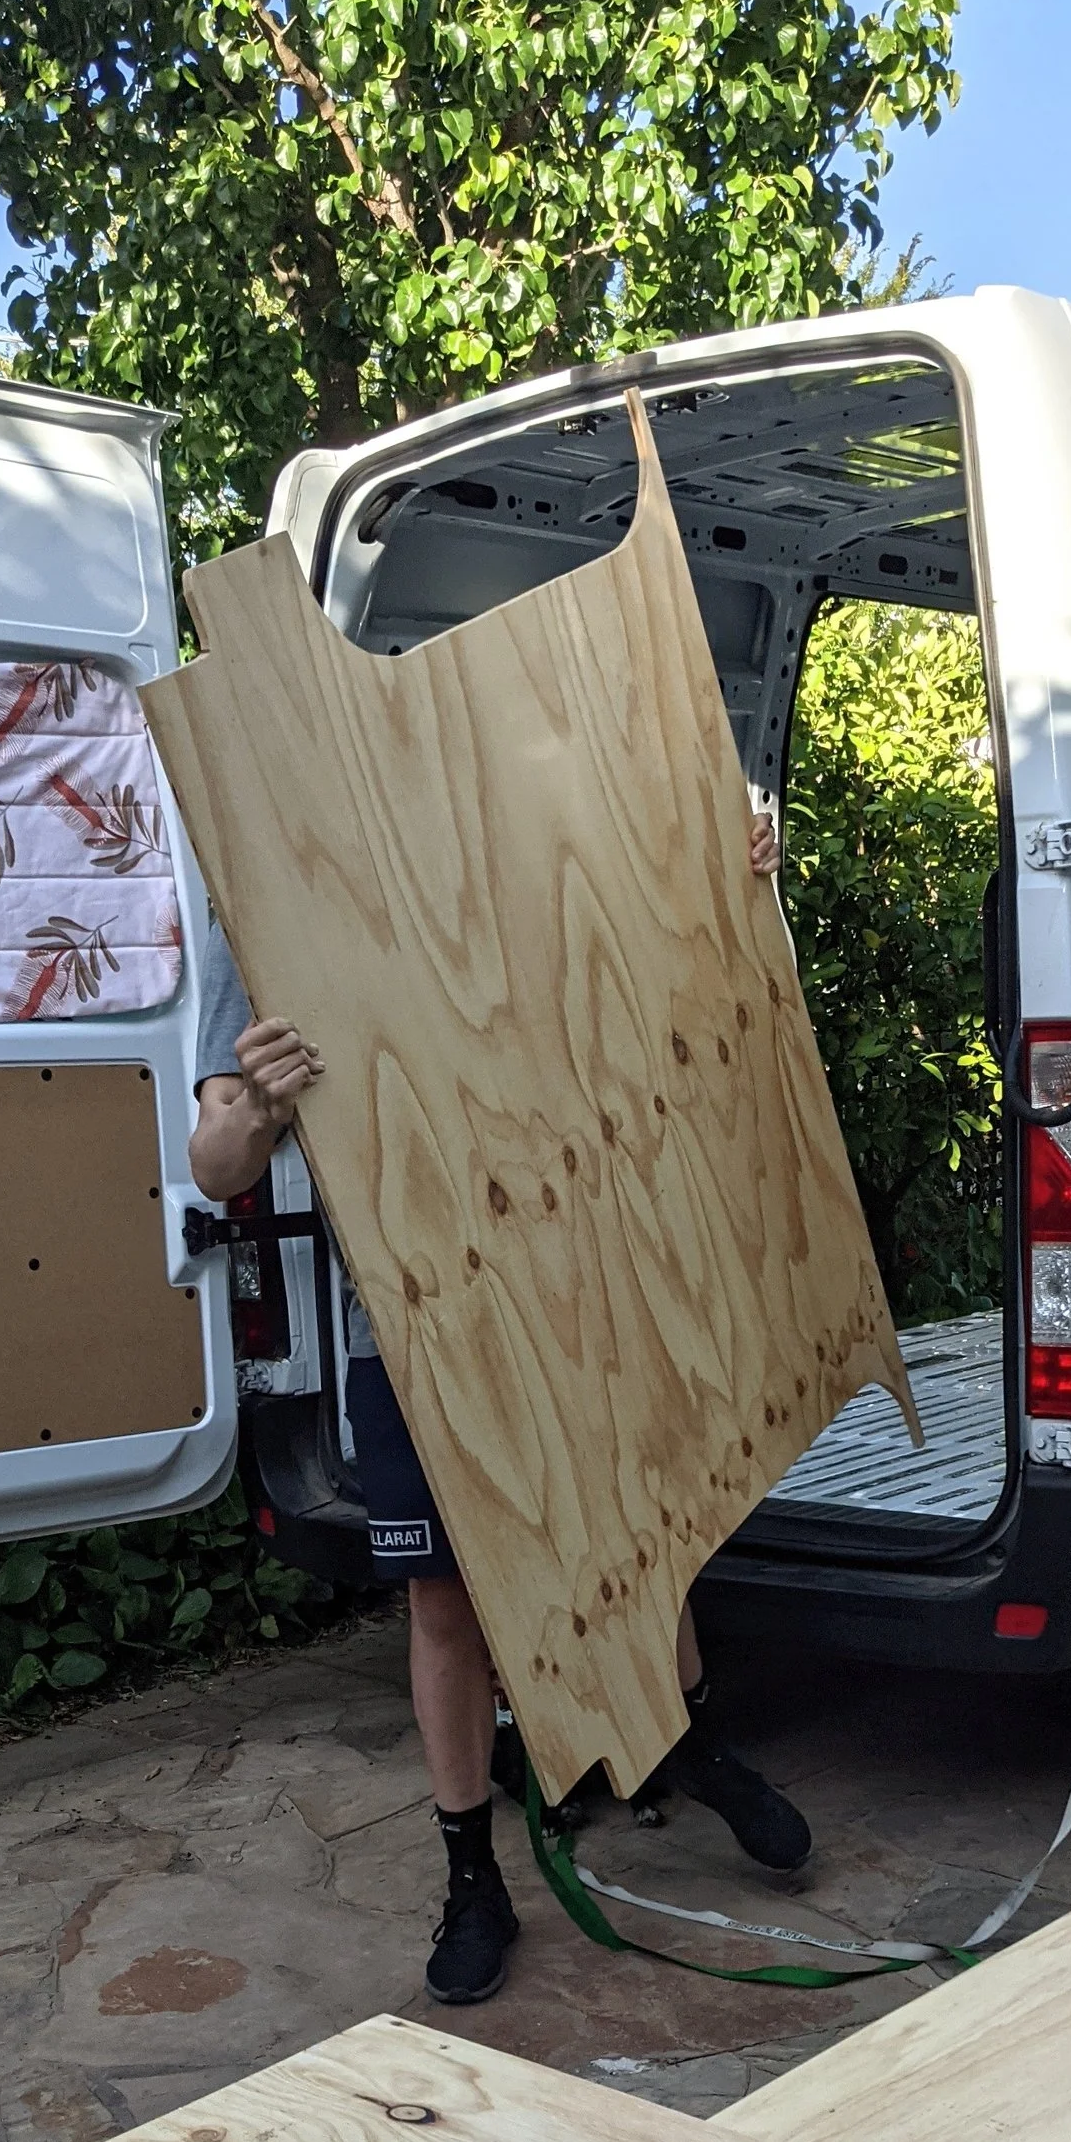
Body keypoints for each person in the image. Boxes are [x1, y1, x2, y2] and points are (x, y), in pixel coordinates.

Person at [185, 824, 814, 2007]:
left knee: (649, 1533)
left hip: (582, 1272)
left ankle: (682, 1743)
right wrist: (260, 1106)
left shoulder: (504, 812)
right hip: (411, 1318)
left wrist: (721, 867)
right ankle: (472, 1873)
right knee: (447, 1600)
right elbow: (217, 1166)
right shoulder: (258, 887)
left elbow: (662, 988)